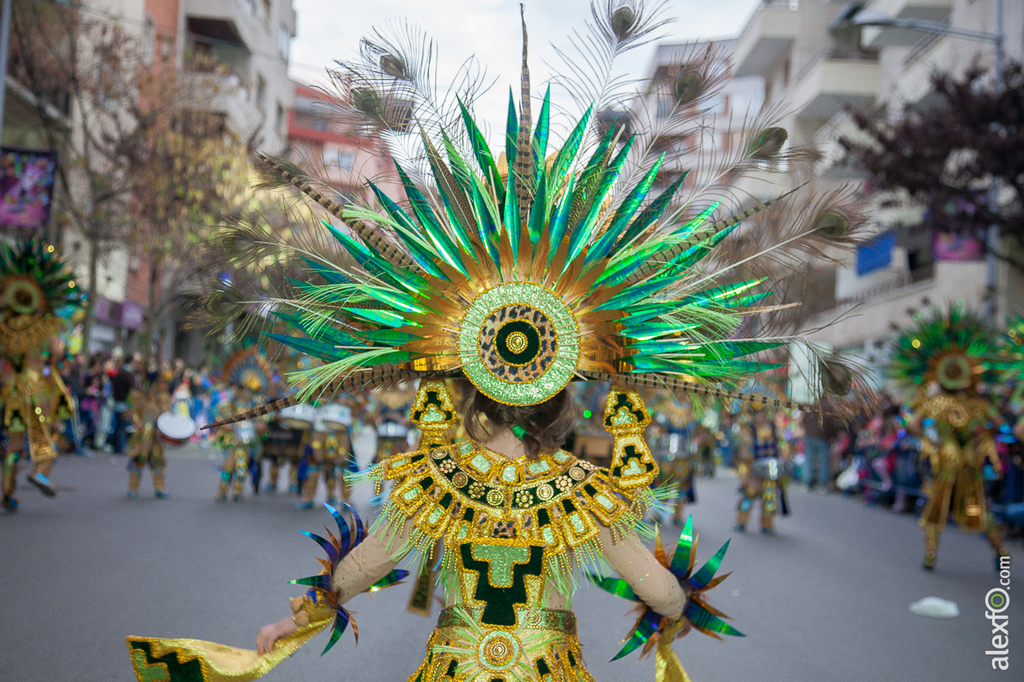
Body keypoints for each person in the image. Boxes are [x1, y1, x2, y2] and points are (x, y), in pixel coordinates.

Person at [891, 306, 1008, 570]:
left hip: (945, 459)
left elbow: (912, 424)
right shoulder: (978, 405)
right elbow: (1000, 424)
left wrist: (930, 442)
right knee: (977, 505)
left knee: (936, 505)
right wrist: (982, 438)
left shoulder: (935, 403)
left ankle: (931, 554)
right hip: (969, 462)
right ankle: (1000, 550)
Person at [0, 240, 85, 510]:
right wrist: (47, 361)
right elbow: (59, 352)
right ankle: (40, 472)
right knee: (44, 432)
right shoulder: (43, 326)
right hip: (35, 388)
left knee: (14, 442)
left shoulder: (5, 328)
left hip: (12, 387)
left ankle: (7, 491)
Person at [734, 407, 791, 534]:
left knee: (769, 499)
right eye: (758, 414)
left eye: (763, 414)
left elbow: (784, 447)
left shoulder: (776, 430)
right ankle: (741, 522)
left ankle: (767, 524)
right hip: (754, 473)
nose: (761, 417)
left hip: (771, 473)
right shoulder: (748, 431)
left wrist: (785, 456)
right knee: (749, 496)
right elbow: (743, 455)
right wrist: (743, 476)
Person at [127, 373, 172, 499]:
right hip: (142, 437)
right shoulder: (140, 398)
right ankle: (133, 488)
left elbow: (167, 416)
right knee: (138, 462)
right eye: (162, 383)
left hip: (157, 437)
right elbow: (133, 412)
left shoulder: (164, 398)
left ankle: (159, 488)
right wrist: (137, 422)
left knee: (158, 462)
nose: (165, 386)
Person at [106, 350, 134, 455]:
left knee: (117, 425)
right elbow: (132, 391)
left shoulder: (118, 373)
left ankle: (115, 445)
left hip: (117, 402)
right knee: (122, 426)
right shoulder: (129, 374)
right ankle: (119, 447)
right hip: (124, 403)